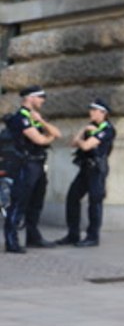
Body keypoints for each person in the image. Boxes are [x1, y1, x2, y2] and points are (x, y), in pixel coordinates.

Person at [4, 85, 62, 253]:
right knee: (19, 203)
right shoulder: (20, 118)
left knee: (36, 203)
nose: (43, 101)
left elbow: (57, 134)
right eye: (40, 97)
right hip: (25, 165)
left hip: (38, 164)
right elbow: (39, 140)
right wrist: (47, 136)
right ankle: (11, 240)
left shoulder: (35, 118)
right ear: (30, 98)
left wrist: (42, 122)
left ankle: (33, 236)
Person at [55, 99, 115, 248]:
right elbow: (74, 142)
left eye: (95, 110)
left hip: (97, 169)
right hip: (85, 168)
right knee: (72, 197)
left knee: (94, 203)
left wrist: (82, 140)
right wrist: (83, 130)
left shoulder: (107, 129)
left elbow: (87, 146)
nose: (91, 113)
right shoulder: (91, 128)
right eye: (91, 110)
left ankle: (93, 237)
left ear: (104, 113)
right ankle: (73, 234)